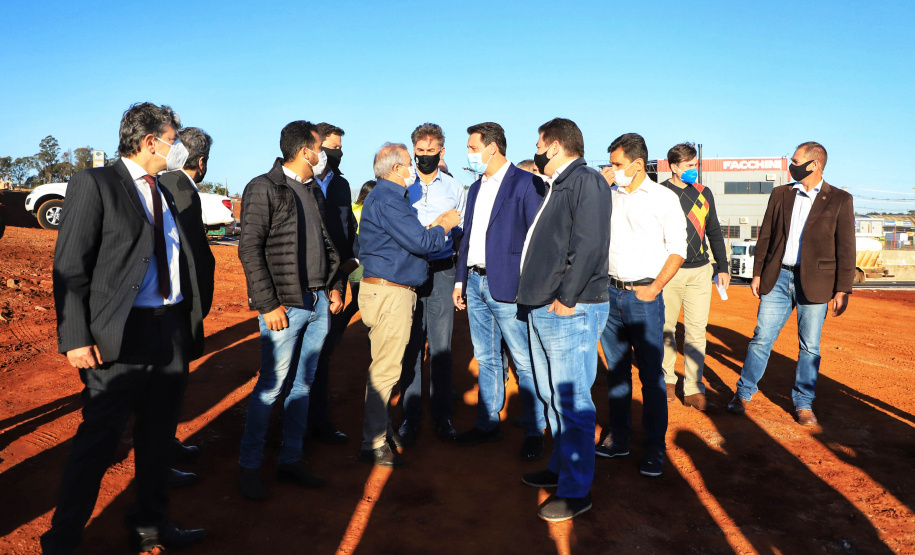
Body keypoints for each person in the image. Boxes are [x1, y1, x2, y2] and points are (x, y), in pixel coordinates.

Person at [43, 102, 206, 554]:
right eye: (174, 140)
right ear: (150, 141)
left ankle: (150, 524)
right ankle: (63, 539)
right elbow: (70, 266)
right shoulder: (94, 184)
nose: (180, 149)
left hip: (168, 329)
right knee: (100, 439)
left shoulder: (167, 190)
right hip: (120, 335)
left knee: (158, 439)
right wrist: (75, 337)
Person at [236, 120, 345, 501]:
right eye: (321, 148)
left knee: (303, 385)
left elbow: (326, 244)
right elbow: (249, 248)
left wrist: (333, 287)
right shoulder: (264, 188)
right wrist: (268, 304)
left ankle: (291, 459)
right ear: (305, 151)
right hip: (284, 307)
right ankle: (249, 467)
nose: (325, 156)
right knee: (271, 388)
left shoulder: (312, 189)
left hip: (317, 302)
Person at [517, 118, 611, 522]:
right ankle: (560, 468)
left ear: (554, 146)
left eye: (539, 144)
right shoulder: (560, 184)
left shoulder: (586, 180)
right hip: (545, 306)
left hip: (570, 308)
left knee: (572, 400)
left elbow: (589, 244)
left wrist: (567, 298)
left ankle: (576, 490)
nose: (536, 150)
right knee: (553, 395)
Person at [728, 142, 854, 426]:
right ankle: (743, 394)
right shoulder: (781, 194)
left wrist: (843, 288)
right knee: (761, 339)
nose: (791, 165)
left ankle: (804, 403)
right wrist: (757, 272)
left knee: (809, 346)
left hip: (817, 283)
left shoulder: (840, 200)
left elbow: (846, 247)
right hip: (778, 277)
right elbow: (767, 236)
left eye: (796, 161)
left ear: (815, 165)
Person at [357, 143, 460, 467]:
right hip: (391, 293)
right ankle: (373, 443)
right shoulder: (390, 199)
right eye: (408, 163)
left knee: (385, 366)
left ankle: (382, 431)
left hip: (384, 290)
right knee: (386, 370)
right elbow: (422, 242)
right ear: (396, 168)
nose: (413, 168)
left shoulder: (382, 197)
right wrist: (444, 224)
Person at [451, 122, 547, 461]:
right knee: (487, 357)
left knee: (523, 360)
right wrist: (460, 281)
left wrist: (528, 286)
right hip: (475, 284)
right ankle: (487, 423)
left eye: (473, 148)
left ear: (493, 148)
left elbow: (538, 240)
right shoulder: (476, 188)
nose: (469, 154)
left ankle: (536, 429)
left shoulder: (525, 183)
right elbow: (468, 238)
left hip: (508, 287)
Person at [596, 133, 686, 478]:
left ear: (637, 164)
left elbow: (677, 249)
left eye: (617, 165)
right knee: (616, 374)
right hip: (610, 294)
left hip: (644, 297)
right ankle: (619, 438)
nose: (612, 170)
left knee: (651, 376)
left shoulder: (663, 198)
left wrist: (655, 287)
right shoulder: (609, 196)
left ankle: (654, 448)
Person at [399, 123, 467, 446]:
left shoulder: (455, 188)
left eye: (431, 151)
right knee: (410, 345)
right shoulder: (403, 187)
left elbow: (461, 238)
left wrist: (458, 280)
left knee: (441, 347)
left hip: (442, 272)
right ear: (413, 151)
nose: (425, 156)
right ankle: (409, 418)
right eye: (420, 151)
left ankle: (442, 416)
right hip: (409, 274)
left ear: (442, 151)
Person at [158, 126, 217, 487]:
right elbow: (190, 257)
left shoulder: (165, 185)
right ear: (201, 161)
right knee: (167, 387)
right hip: (175, 307)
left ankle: (166, 446)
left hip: (170, 304)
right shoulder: (181, 190)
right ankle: (159, 458)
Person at [659, 142, 730, 411]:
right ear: (674, 167)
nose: (694, 170)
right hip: (668, 272)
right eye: (688, 166)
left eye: (695, 165)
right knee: (665, 329)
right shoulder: (660, 193)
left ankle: (692, 388)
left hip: (701, 272)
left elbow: (714, 232)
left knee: (696, 332)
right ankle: (666, 380)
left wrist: (721, 267)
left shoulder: (704, 193)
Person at [309, 122, 359, 445]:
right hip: (303, 282)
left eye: (340, 148)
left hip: (332, 280)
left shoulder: (341, 185)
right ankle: (290, 428)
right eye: (331, 147)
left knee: (323, 354)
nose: (336, 153)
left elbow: (347, 229)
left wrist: (346, 269)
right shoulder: (298, 182)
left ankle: (319, 422)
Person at [339, 180, 376, 329]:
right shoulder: (360, 211)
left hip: (359, 259)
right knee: (358, 300)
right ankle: (338, 330)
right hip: (358, 260)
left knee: (363, 299)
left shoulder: (355, 208)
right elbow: (356, 241)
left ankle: (338, 331)